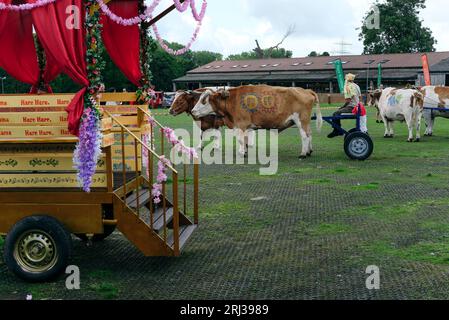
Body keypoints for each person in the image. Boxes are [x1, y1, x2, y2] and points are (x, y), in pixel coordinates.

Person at [328, 73, 362, 138]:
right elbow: (360, 97)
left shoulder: (348, 86)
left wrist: (343, 107)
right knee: (337, 112)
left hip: (351, 107)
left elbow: (348, 100)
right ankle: (338, 130)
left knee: (335, 113)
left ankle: (337, 131)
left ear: (347, 79)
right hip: (357, 107)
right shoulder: (357, 86)